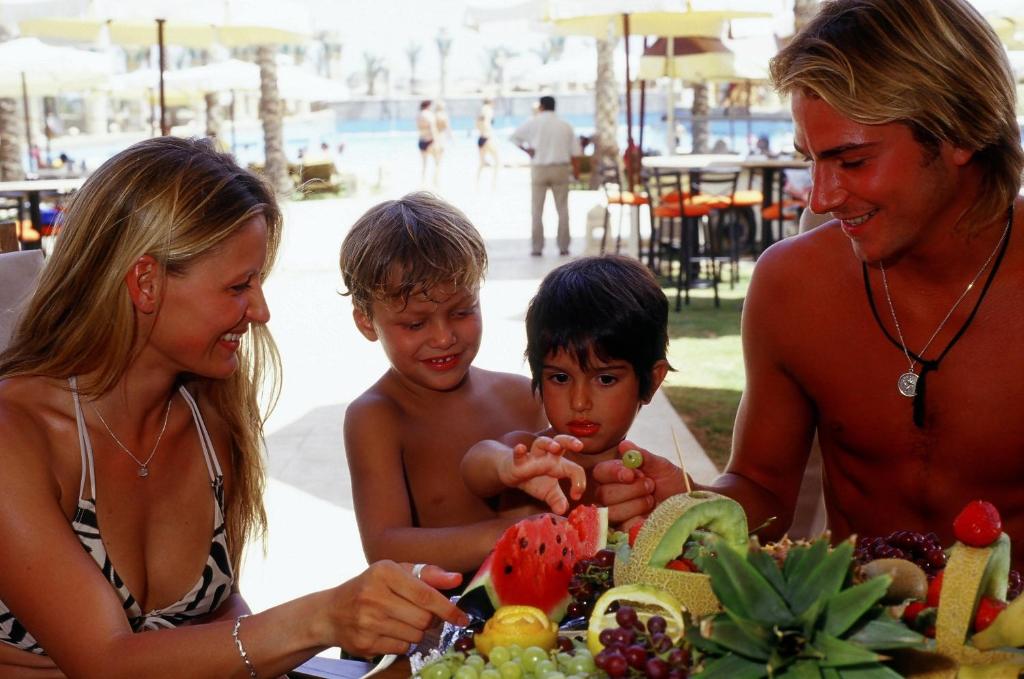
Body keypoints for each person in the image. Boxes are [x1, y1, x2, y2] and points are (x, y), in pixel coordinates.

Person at [0, 137, 467, 677]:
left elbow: (220, 616)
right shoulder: (17, 435)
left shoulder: (209, 412)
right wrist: (322, 618)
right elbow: (105, 662)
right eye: (239, 285)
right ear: (146, 282)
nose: (261, 310)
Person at [592, 0, 1024, 567]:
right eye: (810, 161)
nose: (821, 198)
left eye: (852, 161)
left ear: (959, 132)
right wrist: (687, 501)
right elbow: (762, 489)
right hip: (846, 619)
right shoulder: (792, 285)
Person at [339, 192, 548, 575]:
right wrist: (514, 535)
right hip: (443, 611)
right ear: (367, 322)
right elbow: (385, 545)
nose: (443, 337)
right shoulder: (377, 417)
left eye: (462, 312)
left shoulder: (525, 396)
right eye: (415, 323)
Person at [461, 255, 667, 526]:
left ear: (652, 381)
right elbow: (476, 463)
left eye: (605, 379)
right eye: (560, 378)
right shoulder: (529, 454)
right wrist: (506, 465)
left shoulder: (646, 483)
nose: (579, 402)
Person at [510, 95, 579, 257]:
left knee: (536, 210)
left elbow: (514, 137)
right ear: (554, 107)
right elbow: (576, 153)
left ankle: (537, 247)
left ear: (541, 107)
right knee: (562, 209)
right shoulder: (565, 125)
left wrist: (527, 150)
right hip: (560, 169)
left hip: (539, 169)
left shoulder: (533, 122)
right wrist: (576, 173)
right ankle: (563, 247)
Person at [475, 98, 500, 189]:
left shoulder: (480, 111)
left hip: (480, 138)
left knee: (482, 163)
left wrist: (482, 131)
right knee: (498, 162)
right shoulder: (489, 110)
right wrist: (489, 134)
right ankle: (493, 185)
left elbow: (477, 124)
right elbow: (486, 123)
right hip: (487, 137)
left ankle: (477, 185)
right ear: (491, 102)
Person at [416, 99, 438, 186]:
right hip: (430, 140)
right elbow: (433, 128)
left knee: (424, 164)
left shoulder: (418, 115)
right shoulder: (429, 115)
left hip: (421, 140)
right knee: (436, 162)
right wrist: (436, 141)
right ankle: (435, 182)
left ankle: (423, 182)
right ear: (428, 106)